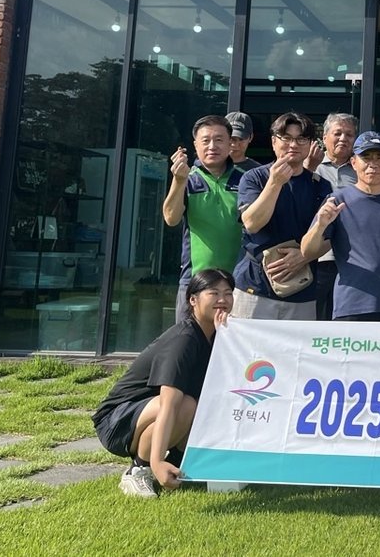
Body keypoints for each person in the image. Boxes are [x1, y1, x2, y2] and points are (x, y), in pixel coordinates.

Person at [93, 268, 233, 498]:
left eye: (228, 293)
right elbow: (169, 404)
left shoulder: (217, 335)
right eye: (214, 293)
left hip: (152, 412)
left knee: (207, 403)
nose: (222, 300)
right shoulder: (183, 339)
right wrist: (156, 461)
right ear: (193, 300)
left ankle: (179, 465)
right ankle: (139, 469)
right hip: (117, 421)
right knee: (186, 405)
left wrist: (226, 338)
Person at [301, 132, 380, 321]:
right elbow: (307, 251)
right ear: (354, 163)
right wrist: (320, 226)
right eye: (366, 157)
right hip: (350, 305)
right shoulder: (337, 200)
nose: (373, 164)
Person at [231, 112, 329, 319]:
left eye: (301, 139)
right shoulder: (254, 177)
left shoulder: (320, 186)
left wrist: (304, 255)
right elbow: (252, 223)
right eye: (286, 138)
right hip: (254, 286)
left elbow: (329, 237)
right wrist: (274, 183)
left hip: (303, 289)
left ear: (310, 144)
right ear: (274, 142)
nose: (293, 145)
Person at [162, 115, 243, 321]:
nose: (212, 146)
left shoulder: (245, 180)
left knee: (230, 341)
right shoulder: (187, 179)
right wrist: (179, 180)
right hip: (194, 281)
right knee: (188, 338)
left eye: (219, 140)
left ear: (230, 143)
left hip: (238, 283)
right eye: (205, 140)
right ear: (195, 145)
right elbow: (171, 218)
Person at [314, 112, 358, 320]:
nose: (343, 138)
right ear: (324, 138)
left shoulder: (361, 169)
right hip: (317, 258)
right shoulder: (310, 166)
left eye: (349, 134)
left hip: (351, 258)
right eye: (337, 133)